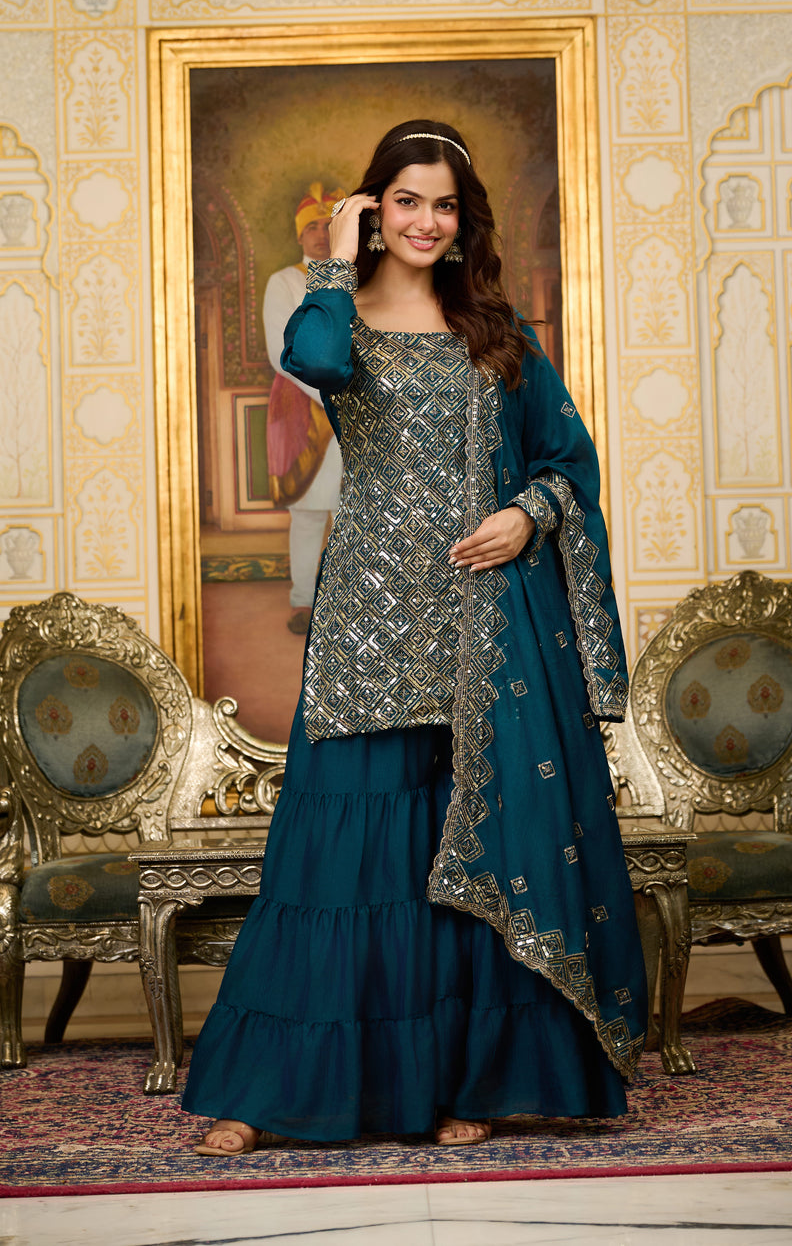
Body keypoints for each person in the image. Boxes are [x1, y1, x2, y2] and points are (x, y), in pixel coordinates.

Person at [183, 119, 648, 1153]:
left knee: (467, 854)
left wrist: (528, 514)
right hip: (367, 621)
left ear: (461, 218)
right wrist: (328, 262)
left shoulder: (497, 335)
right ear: (373, 209)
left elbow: (568, 464)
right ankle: (269, 1093)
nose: (426, 222)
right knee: (339, 863)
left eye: (443, 204)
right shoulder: (337, 317)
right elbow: (302, 361)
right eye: (405, 201)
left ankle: (463, 1085)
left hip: (486, 627)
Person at [262, 182, 345, 635]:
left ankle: (353, 604)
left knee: (356, 507)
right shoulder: (286, 282)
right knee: (310, 511)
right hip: (303, 406)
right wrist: (328, 394)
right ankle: (303, 601)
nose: (320, 233)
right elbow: (282, 353)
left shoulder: (358, 277)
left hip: (355, 406)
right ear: (299, 235)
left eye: (328, 224)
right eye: (312, 226)